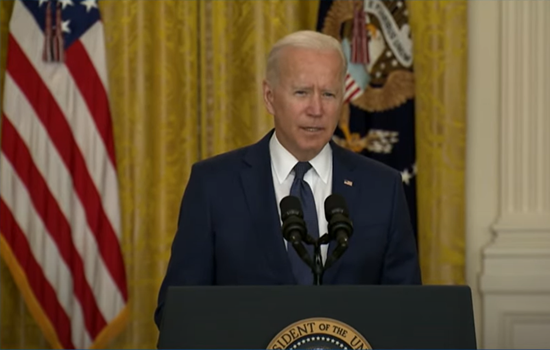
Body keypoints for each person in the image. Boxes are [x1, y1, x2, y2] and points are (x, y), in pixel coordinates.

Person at [154, 30, 421, 328]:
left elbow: (407, 315)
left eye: (329, 94)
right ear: (270, 97)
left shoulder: (383, 188)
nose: (316, 109)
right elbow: (176, 314)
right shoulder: (213, 186)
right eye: (302, 92)